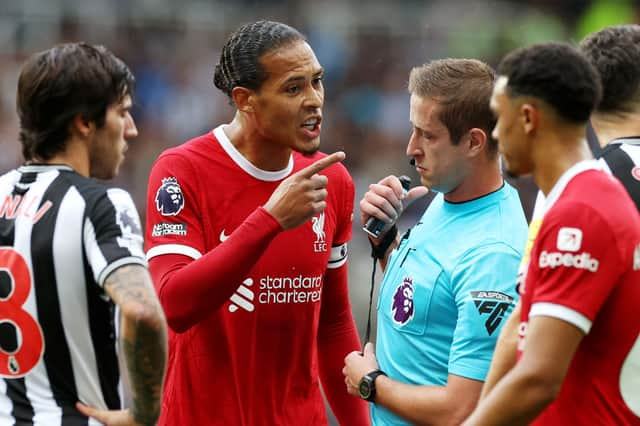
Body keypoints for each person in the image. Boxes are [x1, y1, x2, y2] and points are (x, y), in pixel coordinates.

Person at [144, 20, 369, 425]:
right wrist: (269, 220)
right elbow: (175, 302)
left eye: (317, 82)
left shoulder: (331, 180)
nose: (314, 100)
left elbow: (333, 324)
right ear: (245, 99)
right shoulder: (181, 171)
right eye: (293, 88)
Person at [341, 58, 528, 425]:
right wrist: (386, 242)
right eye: (414, 130)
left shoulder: (493, 255)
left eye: (428, 135)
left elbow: (464, 409)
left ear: (473, 142)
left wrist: (370, 383)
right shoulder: (451, 197)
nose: (412, 148)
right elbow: (426, 304)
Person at [464, 42, 640, 425]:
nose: (495, 133)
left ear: (527, 118)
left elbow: (539, 379)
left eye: (498, 117)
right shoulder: (574, 200)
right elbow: (522, 336)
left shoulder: (582, 212)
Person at [0, 43, 168, 426]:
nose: (132, 129)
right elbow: (143, 312)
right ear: (84, 123)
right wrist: (144, 413)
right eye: (122, 113)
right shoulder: (101, 204)